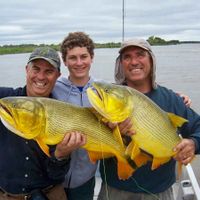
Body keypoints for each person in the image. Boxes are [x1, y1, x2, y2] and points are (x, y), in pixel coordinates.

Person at [98, 39, 200, 200]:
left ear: (151, 60)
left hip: (159, 191)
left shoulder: (172, 99)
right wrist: (115, 133)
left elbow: (198, 127)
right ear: (120, 64)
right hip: (114, 188)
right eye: (127, 57)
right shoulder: (106, 99)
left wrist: (194, 143)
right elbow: (93, 143)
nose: (134, 62)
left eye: (140, 55)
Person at [0, 47, 86, 200]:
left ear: (58, 76)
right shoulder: (5, 99)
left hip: (49, 194)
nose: (40, 77)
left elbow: (56, 175)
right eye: (36, 69)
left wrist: (61, 155)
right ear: (27, 69)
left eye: (48, 71)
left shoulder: (63, 116)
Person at [52, 32, 97, 200]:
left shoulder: (104, 90)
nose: (79, 63)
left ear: (91, 57)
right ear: (64, 61)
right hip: (54, 180)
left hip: (85, 178)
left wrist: (181, 98)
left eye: (84, 56)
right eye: (72, 58)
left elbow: (132, 98)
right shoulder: (52, 88)